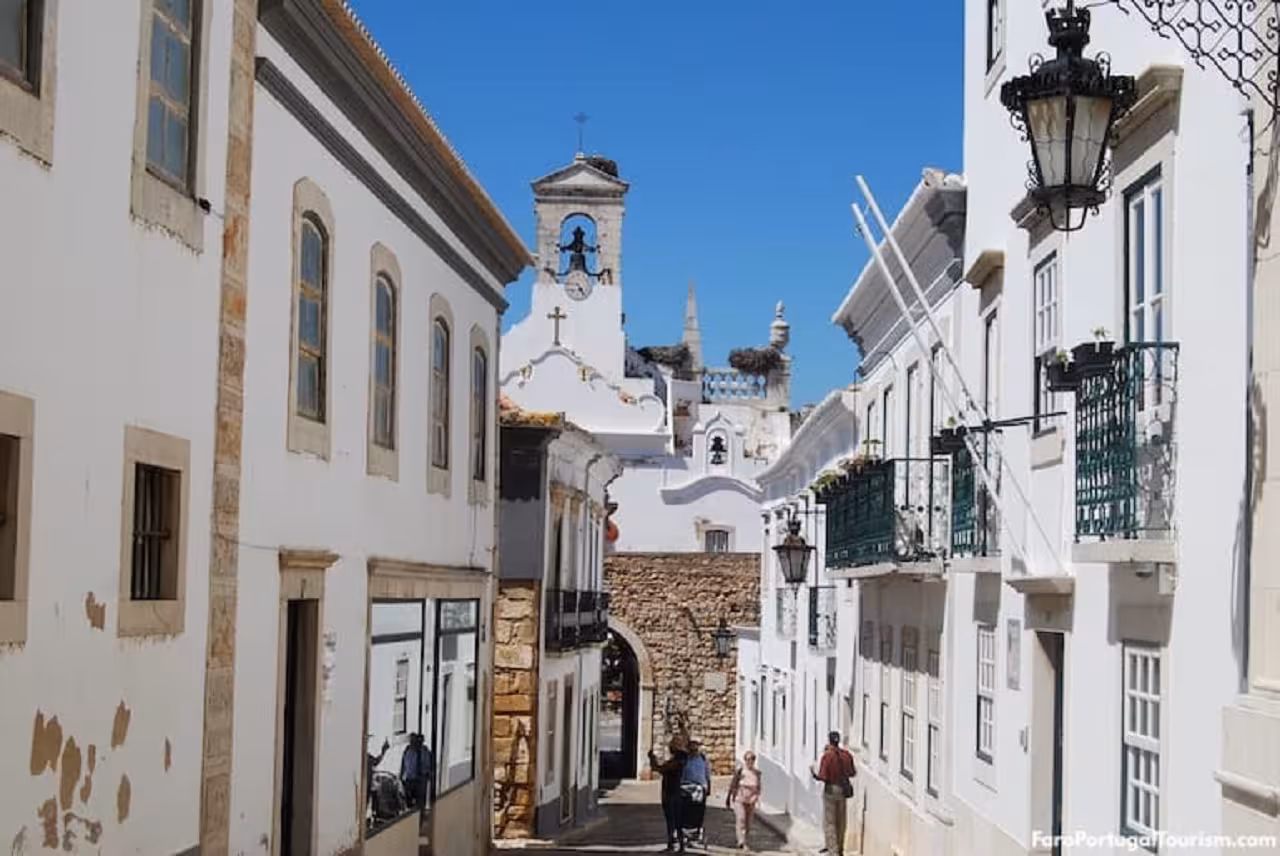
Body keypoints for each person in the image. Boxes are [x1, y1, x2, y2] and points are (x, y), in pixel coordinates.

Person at [811, 732, 856, 856]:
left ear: (829, 741)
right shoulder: (847, 755)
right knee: (841, 821)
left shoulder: (828, 756)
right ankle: (840, 849)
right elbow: (852, 773)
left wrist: (814, 774)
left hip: (831, 790)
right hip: (843, 791)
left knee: (830, 822)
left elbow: (823, 776)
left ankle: (833, 851)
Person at [650, 739, 688, 852]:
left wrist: (652, 758)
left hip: (670, 793)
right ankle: (678, 845)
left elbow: (659, 769)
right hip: (675, 792)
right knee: (676, 821)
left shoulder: (676, 761)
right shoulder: (681, 759)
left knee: (672, 820)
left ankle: (674, 844)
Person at [726, 751, 762, 850]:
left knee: (748, 822)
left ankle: (746, 839)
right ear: (745, 760)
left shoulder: (757, 773)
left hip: (751, 799)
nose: (749, 761)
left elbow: (759, 787)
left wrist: (756, 797)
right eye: (747, 759)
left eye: (751, 759)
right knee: (741, 819)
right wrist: (729, 797)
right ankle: (741, 841)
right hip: (740, 798)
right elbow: (733, 784)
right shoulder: (740, 771)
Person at [679, 739, 712, 848]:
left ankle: (696, 831)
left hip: (699, 788)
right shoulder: (685, 759)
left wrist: (708, 787)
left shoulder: (703, 759)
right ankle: (686, 834)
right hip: (686, 787)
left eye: (695, 747)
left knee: (698, 812)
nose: (693, 750)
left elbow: (707, 773)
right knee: (685, 812)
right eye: (691, 748)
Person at [400, 732, 435, 812]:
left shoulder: (425, 751)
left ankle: (420, 815)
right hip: (409, 779)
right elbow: (403, 763)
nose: (414, 743)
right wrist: (401, 775)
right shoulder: (407, 750)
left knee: (420, 801)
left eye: (418, 741)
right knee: (408, 801)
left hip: (421, 779)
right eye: (412, 741)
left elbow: (430, 764)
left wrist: (429, 774)